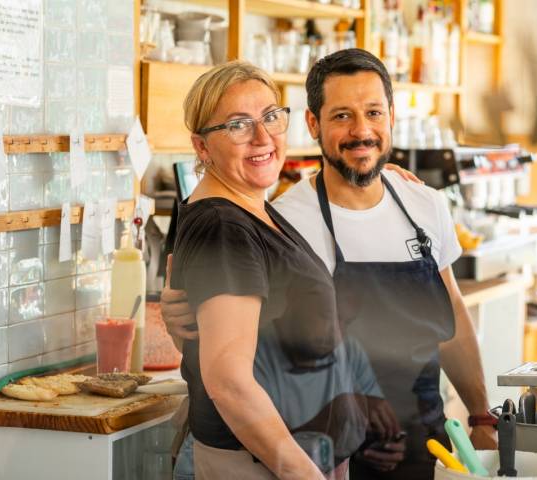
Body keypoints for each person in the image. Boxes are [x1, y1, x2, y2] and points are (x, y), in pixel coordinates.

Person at [164, 49, 497, 479]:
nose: (361, 131)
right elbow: (231, 367)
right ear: (313, 125)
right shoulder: (284, 216)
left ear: (391, 117)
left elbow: (450, 310)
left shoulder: (421, 203)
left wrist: (480, 415)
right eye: (342, 116)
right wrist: (183, 328)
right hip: (305, 450)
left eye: (373, 113)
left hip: (415, 438)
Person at [170, 59, 373, 480]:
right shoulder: (224, 227)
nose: (262, 137)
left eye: (270, 117)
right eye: (238, 125)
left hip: (297, 451)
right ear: (202, 146)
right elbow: (228, 381)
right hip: (263, 463)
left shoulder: (253, 208)